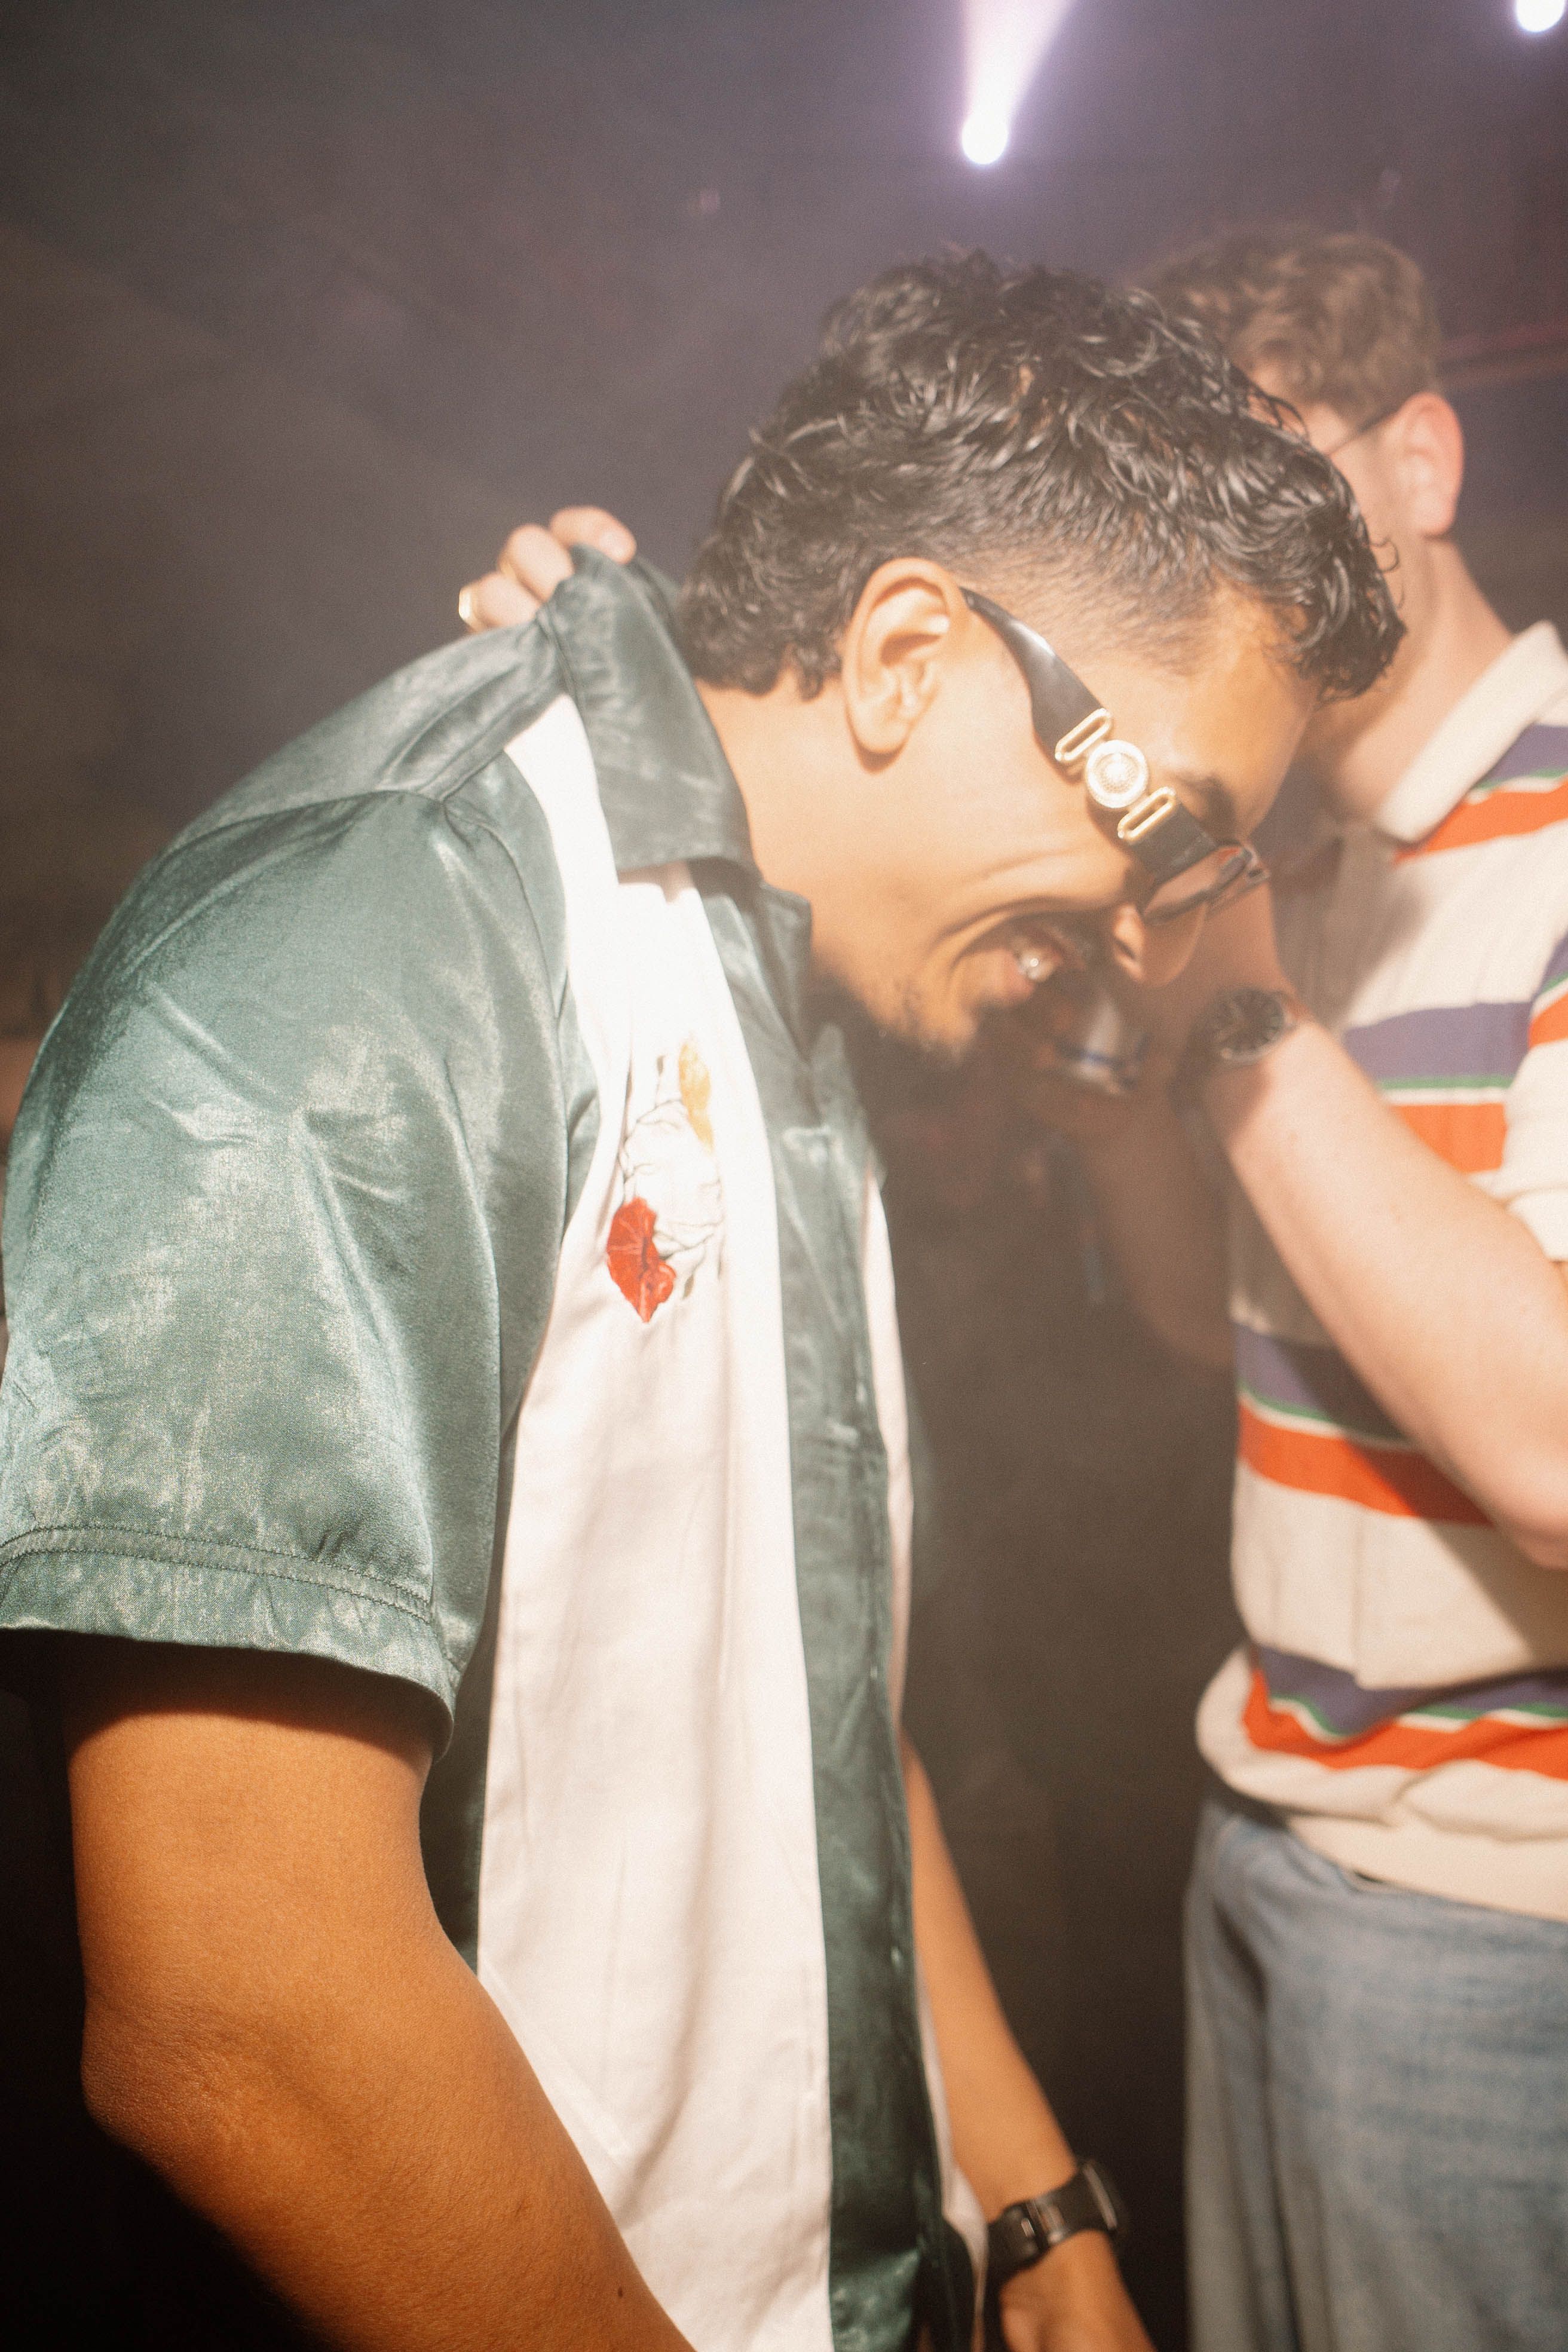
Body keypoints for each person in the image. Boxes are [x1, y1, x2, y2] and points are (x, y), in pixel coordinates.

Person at [0, 253, 1395, 2352]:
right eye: (1169, 835)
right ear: (908, 654)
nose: (1161, 938)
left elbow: (808, 1686)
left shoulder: (803, 971)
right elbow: (246, 2016)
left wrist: (1028, 2201)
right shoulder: (374, 953)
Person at [1068, 232, 1568, 2352]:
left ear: (1425, 462)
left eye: (1279, 472)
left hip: (1494, 1915)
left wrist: (1245, 1016)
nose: (1237, 559)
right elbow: (1228, 1336)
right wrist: (1111, 1105)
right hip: (1269, 1822)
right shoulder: (1319, 875)